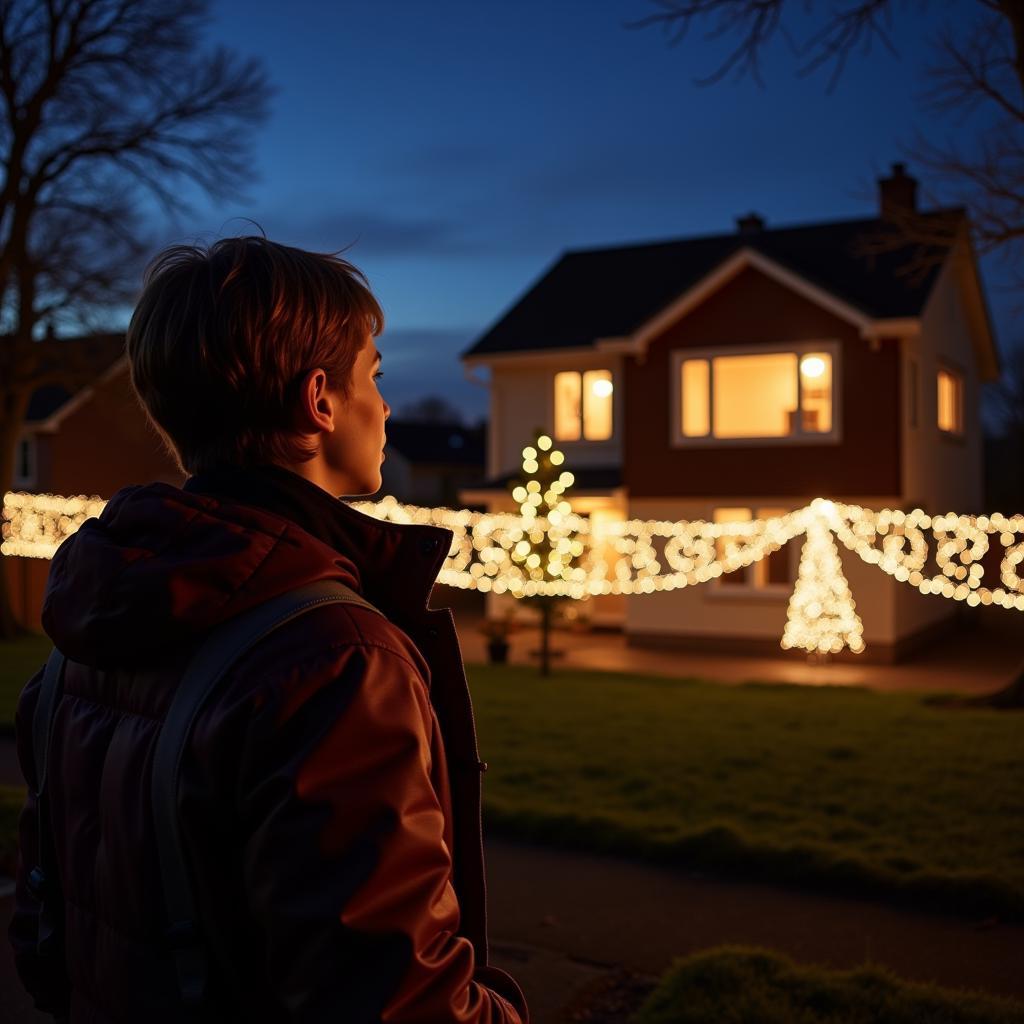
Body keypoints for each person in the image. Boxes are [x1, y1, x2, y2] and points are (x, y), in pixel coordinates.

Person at [8, 236, 530, 1022]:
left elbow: (47, 937)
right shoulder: (335, 660)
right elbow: (396, 1001)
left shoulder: (84, 638)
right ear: (320, 401)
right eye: (375, 377)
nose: (385, 408)